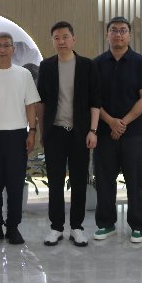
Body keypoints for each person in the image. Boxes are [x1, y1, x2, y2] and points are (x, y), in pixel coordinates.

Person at [36, 21, 101, 247]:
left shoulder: (87, 65)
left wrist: (93, 130)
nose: (61, 41)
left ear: (73, 39)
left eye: (65, 37)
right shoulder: (46, 66)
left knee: (79, 181)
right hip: (55, 132)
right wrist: (43, 131)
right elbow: (41, 101)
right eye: (56, 38)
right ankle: (56, 227)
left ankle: (77, 227)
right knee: (54, 181)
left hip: (80, 132)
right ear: (52, 41)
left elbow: (95, 101)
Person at [0, 31, 41, 246]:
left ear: (13, 49)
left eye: (6, 45)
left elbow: (30, 105)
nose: (2, 50)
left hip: (17, 135)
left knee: (15, 184)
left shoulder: (23, 74)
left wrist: (32, 131)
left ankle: (13, 227)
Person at [93, 17, 142, 243]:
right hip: (104, 133)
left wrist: (122, 123)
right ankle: (106, 224)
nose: (118, 35)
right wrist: (110, 122)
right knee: (104, 180)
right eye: (114, 30)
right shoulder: (97, 63)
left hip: (133, 133)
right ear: (107, 35)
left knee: (135, 181)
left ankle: (137, 225)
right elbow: (93, 99)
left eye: (123, 31)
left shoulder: (140, 62)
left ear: (129, 35)